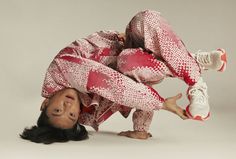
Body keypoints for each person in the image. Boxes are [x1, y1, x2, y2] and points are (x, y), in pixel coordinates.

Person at [21, 10, 227, 144]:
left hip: (128, 41)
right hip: (135, 63)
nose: (68, 106)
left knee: (147, 18)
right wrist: (141, 129)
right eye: (72, 115)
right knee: (128, 62)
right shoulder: (90, 111)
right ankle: (195, 65)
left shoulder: (60, 71)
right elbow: (132, 87)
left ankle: (194, 78)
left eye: (57, 109)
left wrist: (162, 104)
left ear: (44, 103)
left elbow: (111, 84)